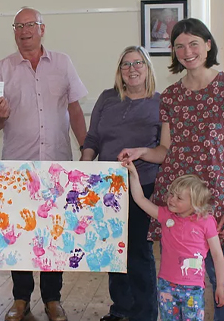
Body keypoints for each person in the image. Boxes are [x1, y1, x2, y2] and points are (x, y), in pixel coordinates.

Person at [119, 18, 224, 321]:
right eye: (179, 46)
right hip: (178, 201)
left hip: (218, 199)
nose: (187, 51)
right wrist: (141, 152)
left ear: (208, 45)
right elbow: (165, 151)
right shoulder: (170, 96)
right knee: (179, 276)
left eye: (194, 43)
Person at [0, 7, 88, 321]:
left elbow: (74, 111)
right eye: (18, 26)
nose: (24, 31)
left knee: (54, 233)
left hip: (58, 165)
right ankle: (20, 298)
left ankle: (53, 299)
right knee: (17, 234)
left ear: (42, 28)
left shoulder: (63, 62)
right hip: (17, 169)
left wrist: (87, 153)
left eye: (30, 24)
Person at [81, 45, 160, 321]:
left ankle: (145, 313)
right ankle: (121, 309)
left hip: (143, 185)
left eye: (138, 63)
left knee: (138, 251)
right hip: (107, 188)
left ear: (148, 68)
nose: (132, 69)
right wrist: (83, 166)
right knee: (112, 249)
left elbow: (165, 149)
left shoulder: (159, 102)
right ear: (119, 72)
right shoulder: (106, 98)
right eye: (126, 65)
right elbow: (92, 140)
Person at [123, 163, 224, 320]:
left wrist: (220, 285)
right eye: (171, 194)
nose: (171, 199)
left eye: (179, 198)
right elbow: (140, 199)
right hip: (166, 286)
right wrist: (133, 174)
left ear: (195, 203)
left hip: (194, 289)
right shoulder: (165, 215)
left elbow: (218, 255)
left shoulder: (206, 222)